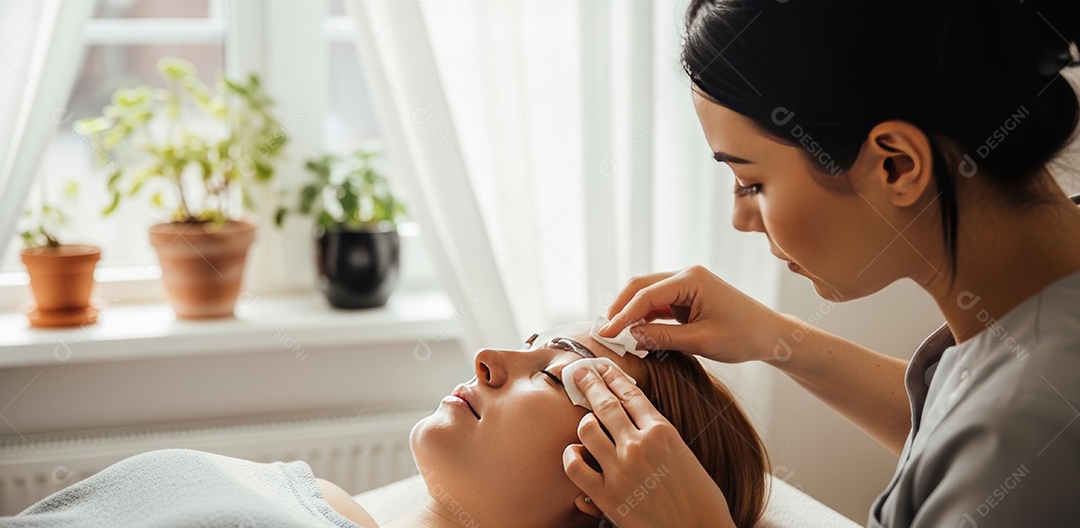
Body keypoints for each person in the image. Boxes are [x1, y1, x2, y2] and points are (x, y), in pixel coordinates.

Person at [572, 0, 1080, 526]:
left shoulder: (1026, 431)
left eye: (751, 181)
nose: (740, 218)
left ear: (896, 165)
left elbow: (1001, 439)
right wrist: (776, 339)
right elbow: (963, 423)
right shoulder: (1033, 337)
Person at [5, 322, 769, 528]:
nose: (491, 357)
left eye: (555, 372)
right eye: (529, 338)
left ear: (612, 481)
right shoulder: (324, 495)